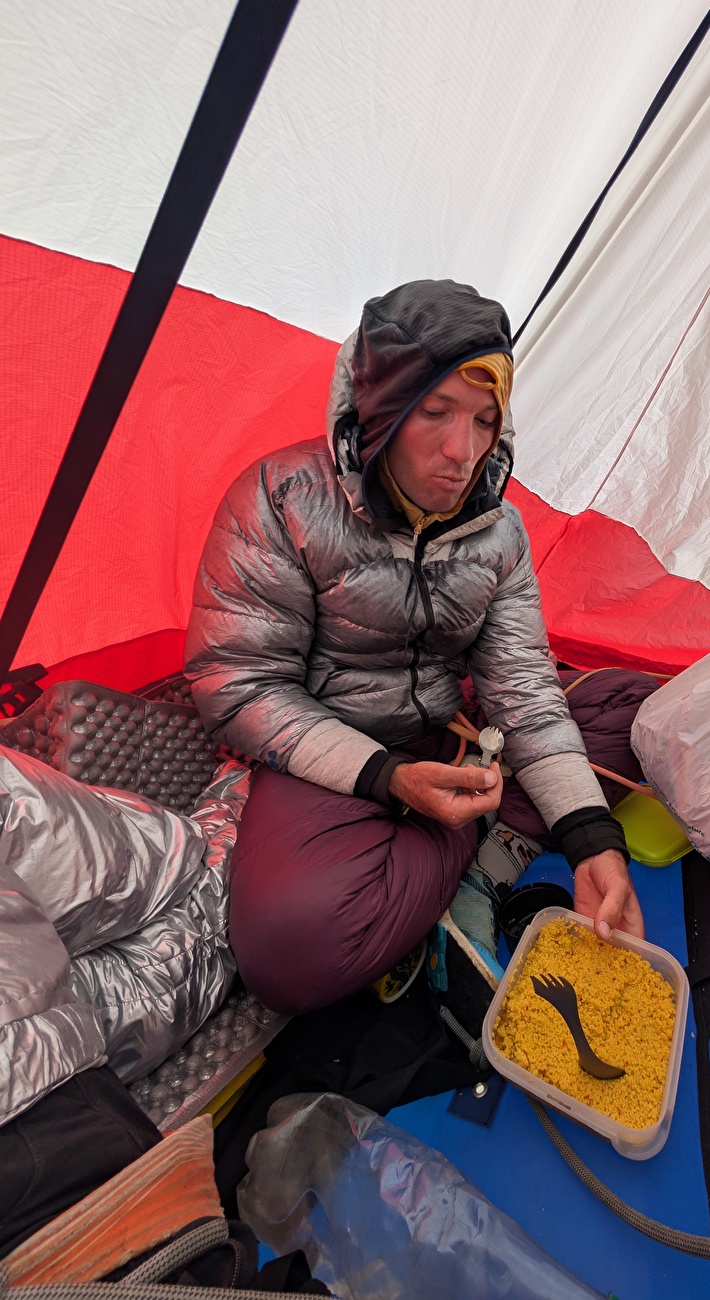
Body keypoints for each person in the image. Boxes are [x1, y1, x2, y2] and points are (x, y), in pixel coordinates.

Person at [184, 279, 659, 1014]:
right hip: (334, 748)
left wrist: (594, 844)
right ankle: (475, 847)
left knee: (642, 711)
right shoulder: (280, 499)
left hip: (450, 728)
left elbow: (524, 693)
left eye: (483, 420)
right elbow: (237, 683)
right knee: (288, 949)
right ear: (376, 410)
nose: (461, 450)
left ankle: (462, 835)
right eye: (433, 412)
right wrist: (387, 778)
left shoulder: (497, 533)